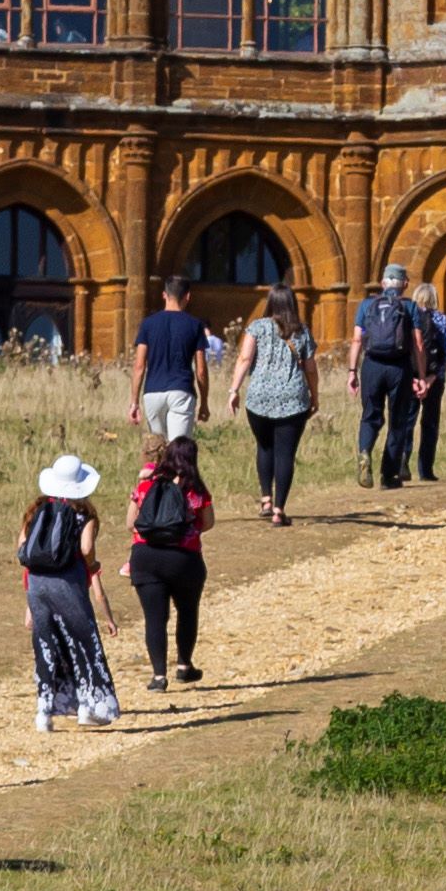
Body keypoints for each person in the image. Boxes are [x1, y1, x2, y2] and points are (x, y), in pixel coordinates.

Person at [19, 454, 119, 728]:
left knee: (46, 643)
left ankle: (44, 712)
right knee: (82, 642)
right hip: (68, 583)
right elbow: (86, 548)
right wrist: (92, 565)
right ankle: (89, 707)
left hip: (37, 583)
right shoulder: (84, 515)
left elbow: (22, 546)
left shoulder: (36, 510)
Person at [127, 424, 214, 691]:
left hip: (146, 557)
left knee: (155, 618)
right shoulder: (196, 490)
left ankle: (158, 676)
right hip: (184, 560)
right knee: (187, 611)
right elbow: (208, 523)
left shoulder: (146, 485)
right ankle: (184, 666)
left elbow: (131, 523)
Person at [235, 290, 320, 518]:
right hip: (293, 399)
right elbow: (310, 368)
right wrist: (315, 395)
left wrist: (234, 390)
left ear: (270, 302)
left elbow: (244, 359)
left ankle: (266, 500)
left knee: (264, 447)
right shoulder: (302, 331)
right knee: (285, 454)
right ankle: (279, 510)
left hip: (259, 398)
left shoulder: (256, 327)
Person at [350, 263, 423, 488]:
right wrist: (421, 375)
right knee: (398, 420)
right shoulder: (410, 307)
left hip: (371, 366)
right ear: (405, 284)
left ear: (382, 283)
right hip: (399, 368)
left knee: (370, 415)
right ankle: (389, 475)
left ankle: (365, 452)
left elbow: (357, 340)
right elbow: (418, 343)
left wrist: (352, 371)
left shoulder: (366, 305)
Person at [130, 275, 217, 445]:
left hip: (152, 393)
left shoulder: (147, 324)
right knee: (178, 450)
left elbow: (139, 366)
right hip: (181, 391)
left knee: (158, 449)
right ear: (188, 296)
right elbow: (201, 370)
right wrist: (204, 402)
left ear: (164, 295)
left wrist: (134, 402)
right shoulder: (195, 325)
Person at [411, 282, 446, 483]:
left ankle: (401, 465)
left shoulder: (408, 317)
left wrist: (414, 377)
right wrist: (433, 377)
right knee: (430, 422)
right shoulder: (440, 319)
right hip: (434, 377)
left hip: (411, 377)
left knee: (407, 420)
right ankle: (425, 470)